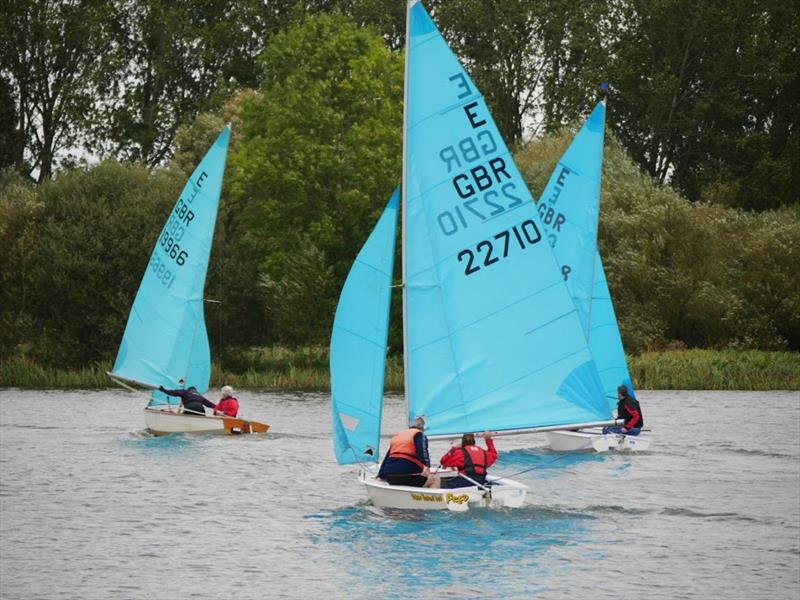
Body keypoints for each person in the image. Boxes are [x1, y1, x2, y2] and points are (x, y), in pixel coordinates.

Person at [377, 416, 434, 487]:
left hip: (390, 475)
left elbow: (387, 457)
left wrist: (381, 475)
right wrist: (427, 466)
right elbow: (422, 451)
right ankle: (429, 497)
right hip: (407, 474)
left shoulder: (398, 435)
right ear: (422, 428)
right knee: (434, 479)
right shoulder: (419, 434)